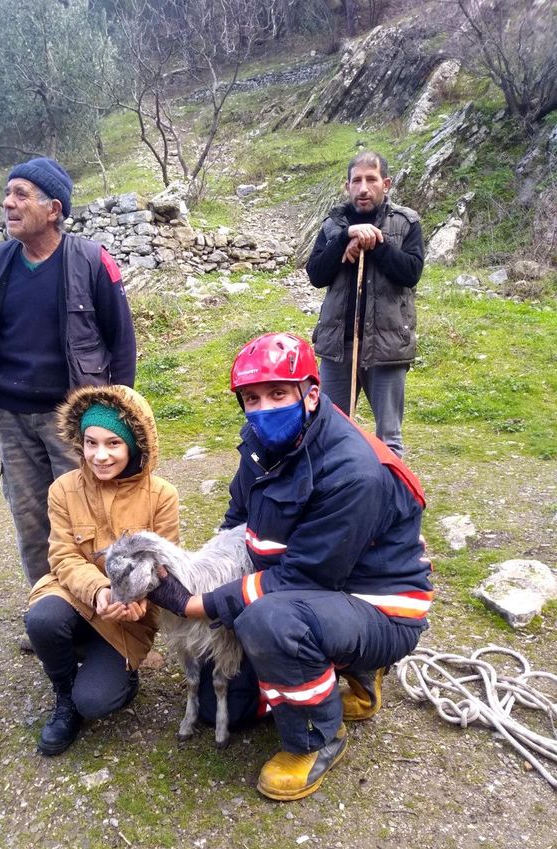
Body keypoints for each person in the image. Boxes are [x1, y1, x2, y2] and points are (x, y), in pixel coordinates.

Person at [147, 332, 433, 801]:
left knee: (268, 620)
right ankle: (346, 670)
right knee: (231, 712)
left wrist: (196, 601)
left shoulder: (353, 471)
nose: (264, 408)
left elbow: (301, 579)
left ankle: (317, 740)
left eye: (279, 394)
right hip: (317, 593)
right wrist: (204, 571)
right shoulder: (260, 444)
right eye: (252, 398)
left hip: (376, 607)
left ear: (311, 393)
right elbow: (238, 522)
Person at [0, 156, 137, 585]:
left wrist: (116, 413)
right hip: (12, 416)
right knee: (30, 521)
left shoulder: (91, 261)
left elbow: (121, 341)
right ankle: (50, 608)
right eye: (7, 193)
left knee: (89, 516)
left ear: (54, 209)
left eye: (21, 194)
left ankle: (104, 613)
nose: (8, 203)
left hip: (74, 417)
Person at [25, 383, 179, 755]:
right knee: (42, 619)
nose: (100, 455)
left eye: (113, 443)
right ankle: (63, 695)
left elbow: (164, 567)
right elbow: (62, 556)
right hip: (73, 595)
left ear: (135, 445)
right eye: (91, 443)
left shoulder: (162, 496)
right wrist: (99, 590)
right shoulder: (63, 489)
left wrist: (136, 601)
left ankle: (120, 676)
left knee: (96, 703)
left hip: (128, 616)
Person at [306, 150, 424, 457]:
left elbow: (411, 273)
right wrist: (347, 237)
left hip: (386, 347)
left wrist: (375, 242)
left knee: (389, 439)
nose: (363, 188)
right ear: (347, 186)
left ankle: (389, 500)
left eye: (371, 180)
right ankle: (337, 498)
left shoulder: (406, 222)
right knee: (329, 430)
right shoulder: (334, 223)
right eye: (356, 180)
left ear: (386, 183)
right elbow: (316, 274)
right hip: (337, 346)